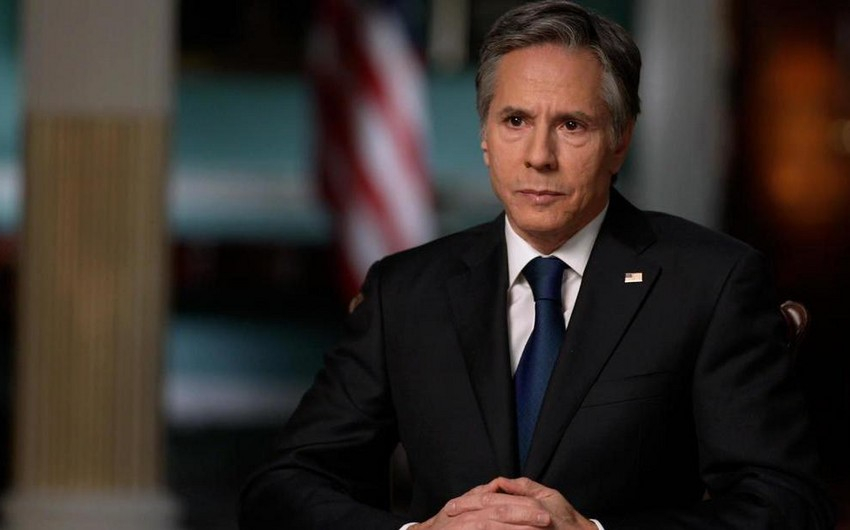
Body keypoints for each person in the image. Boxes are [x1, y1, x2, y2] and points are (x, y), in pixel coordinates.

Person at [238, 1, 835, 528]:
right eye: (516, 121)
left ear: (620, 139)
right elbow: (282, 489)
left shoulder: (711, 282)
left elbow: (787, 503)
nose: (538, 156)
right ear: (485, 135)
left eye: (571, 125)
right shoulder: (406, 291)